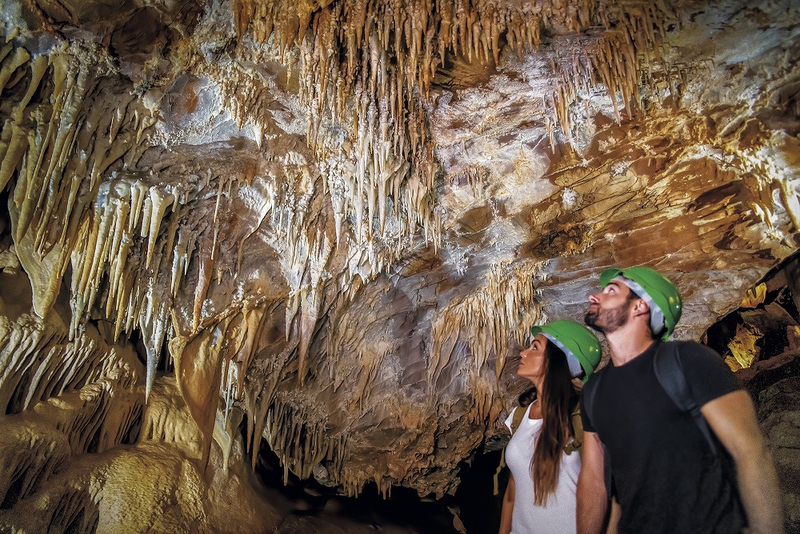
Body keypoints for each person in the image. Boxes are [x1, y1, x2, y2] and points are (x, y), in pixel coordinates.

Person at [576, 266, 784, 534]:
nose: (595, 296)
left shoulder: (688, 360)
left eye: (611, 291)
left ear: (640, 306)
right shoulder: (594, 391)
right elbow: (598, 484)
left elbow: (750, 452)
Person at [499, 320, 602, 534]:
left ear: (556, 361)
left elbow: (608, 491)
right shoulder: (519, 415)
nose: (523, 353)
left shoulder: (583, 417)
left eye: (535, 347)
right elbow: (513, 490)